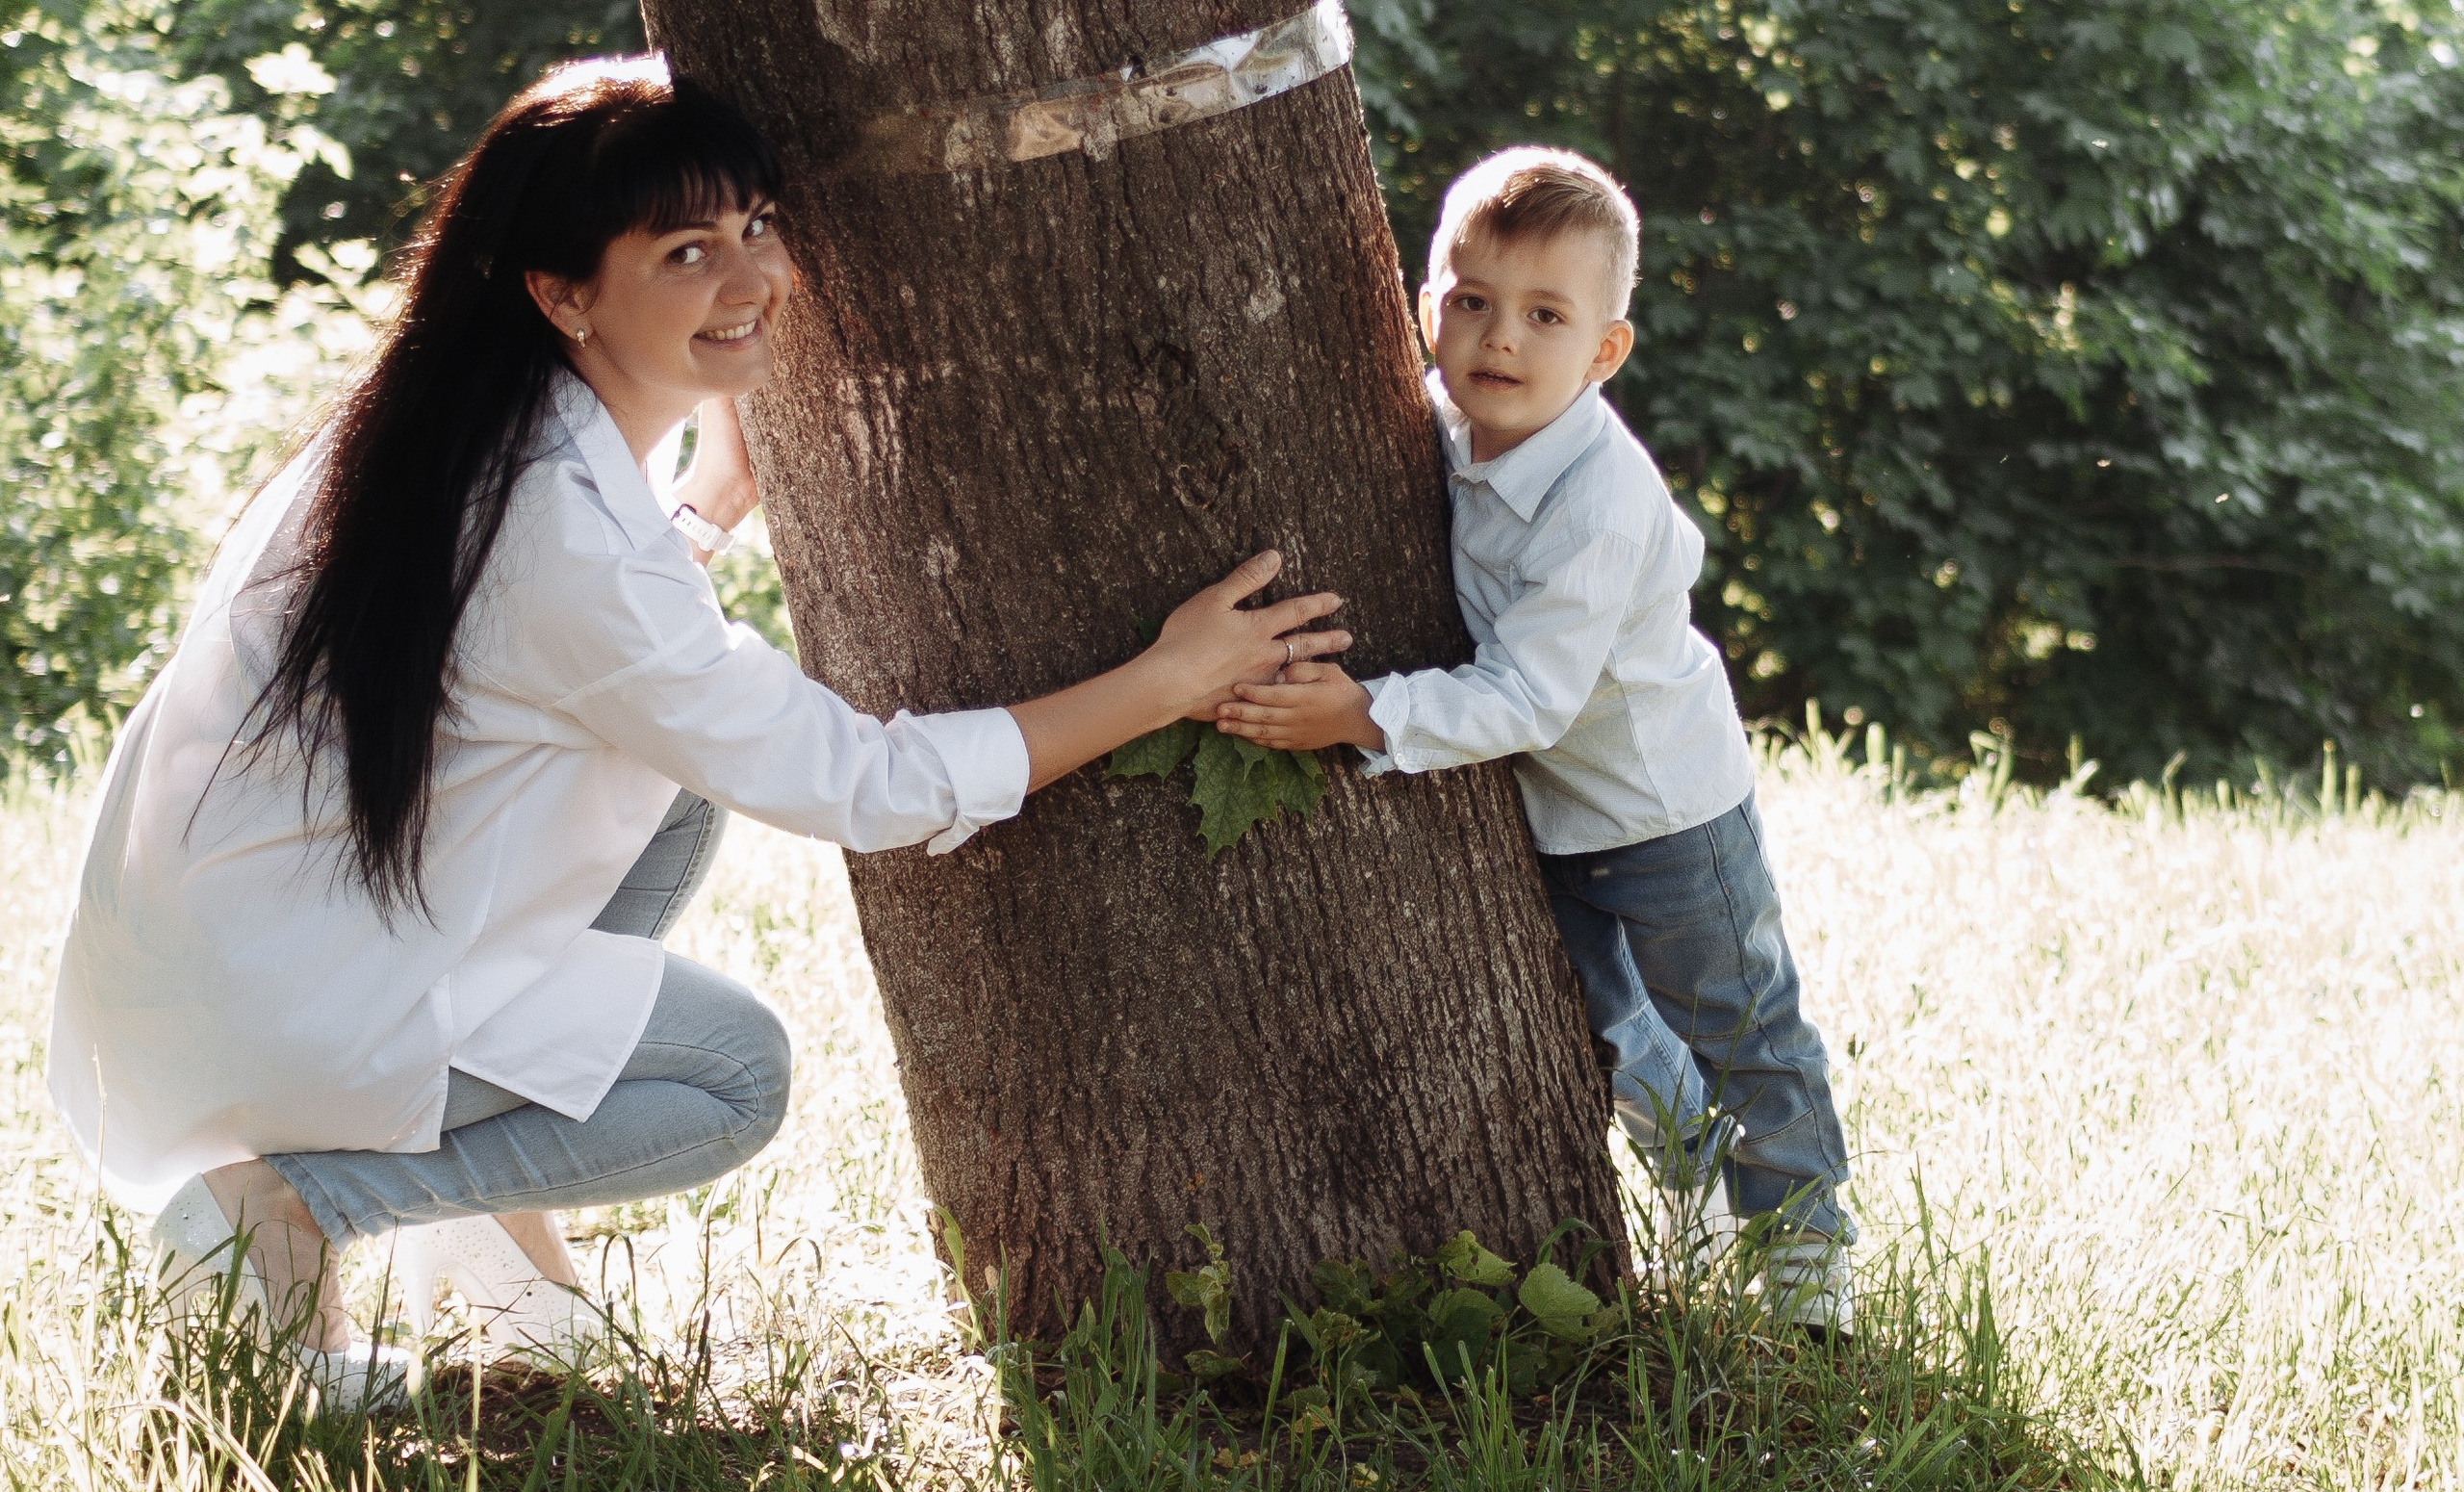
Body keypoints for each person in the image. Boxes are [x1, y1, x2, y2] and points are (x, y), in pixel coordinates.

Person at [45, 58, 1351, 1405]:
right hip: (286, 995)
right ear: (561, 293)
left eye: (757, 226)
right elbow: (859, 780)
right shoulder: (555, 521)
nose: (752, 277)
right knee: (732, 1073)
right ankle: (288, 1202)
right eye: (685, 250)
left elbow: (534, 669)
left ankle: (508, 1284)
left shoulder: (451, 427)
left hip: (235, 950)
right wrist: (1167, 676)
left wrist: (711, 505)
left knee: (673, 794)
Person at [1214, 148, 1852, 1330]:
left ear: (1603, 351)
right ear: (1425, 311)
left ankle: (1809, 1254)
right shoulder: (1447, 435)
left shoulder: (1598, 500)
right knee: (1603, 1028)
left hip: (1666, 810)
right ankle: (1698, 1199)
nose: (1499, 340)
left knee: (1741, 1026)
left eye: (1544, 316)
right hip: (1551, 815)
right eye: (1472, 303)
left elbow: (1530, 697)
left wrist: (1356, 710)